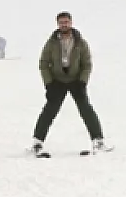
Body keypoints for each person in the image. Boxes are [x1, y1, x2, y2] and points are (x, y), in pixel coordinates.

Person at [33, 12, 106, 153]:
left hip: (76, 80)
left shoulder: (80, 42)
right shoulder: (51, 42)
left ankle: (98, 140)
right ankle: (37, 142)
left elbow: (87, 64)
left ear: (71, 23)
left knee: (85, 109)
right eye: (61, 22)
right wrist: (49, 83)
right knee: (49, 111)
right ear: (57, 24)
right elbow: (43, 63)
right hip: (57, 81)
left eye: (66, 22)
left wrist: (82, 81)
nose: (64, 25)